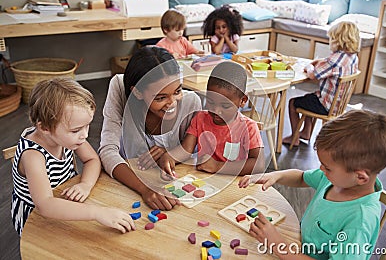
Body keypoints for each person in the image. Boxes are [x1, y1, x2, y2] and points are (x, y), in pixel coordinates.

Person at [239, 109, 386, 259]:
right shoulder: (337, 179)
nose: (322, 169)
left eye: (327, 167)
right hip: (298, 245)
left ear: (361, 177)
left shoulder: (359, 223)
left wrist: (279, 245)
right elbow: (301, 177)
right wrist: (276, 175)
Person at [11, 78, 135, 236]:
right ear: (45, 128)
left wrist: (85, 184)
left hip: (66, 198)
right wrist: (97, 213)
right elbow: (45, 205)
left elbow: (92, 159)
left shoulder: (66, 136)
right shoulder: (33, 156)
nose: (85, 135)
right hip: (36, 218)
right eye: (76, 130)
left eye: (87, 125)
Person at [98, 46, 202, 210]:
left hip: (169, 186)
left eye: (177, 91)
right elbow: (107, 151)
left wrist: (171, 152)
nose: (172, 102)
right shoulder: (120, 87)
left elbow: (195, 153)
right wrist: (144, 189)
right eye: (161, 97)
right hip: (127, 186)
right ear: (137, 92)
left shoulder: (191, 103)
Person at [158, 61, 265, 176]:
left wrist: (217, 166)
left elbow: (259, 165)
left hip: (235, 183)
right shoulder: (200, 118)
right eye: (210, 102)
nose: (216, 111)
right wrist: (169, 157)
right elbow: (186, 150)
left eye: (225, 106)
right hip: (204, 181)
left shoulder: (248, 128)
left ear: (243, 100)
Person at [283, 21, 360, 146]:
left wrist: (309, 66)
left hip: (326, 106)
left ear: (338, 40)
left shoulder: (334, 60)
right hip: (338, 104)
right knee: (309, 98)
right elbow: (331, 66)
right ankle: (306, 132)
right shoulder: (353, 57)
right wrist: (322, 62)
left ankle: (294, 137)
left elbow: (313, 75)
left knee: (293, 103)